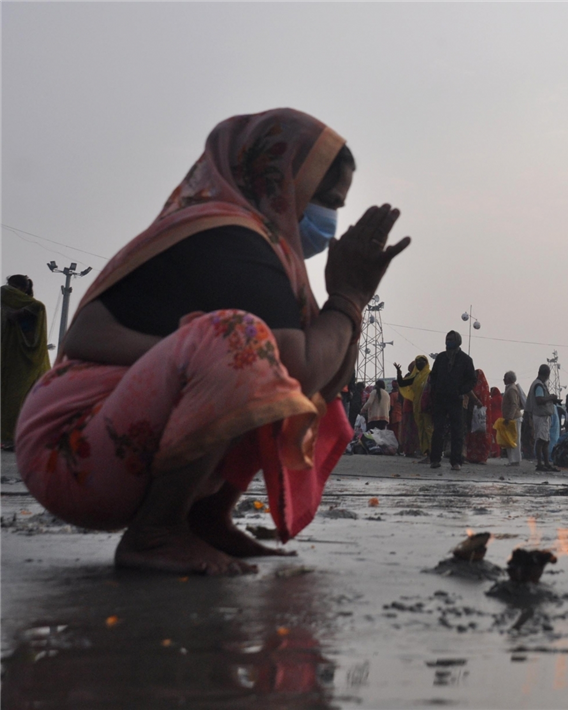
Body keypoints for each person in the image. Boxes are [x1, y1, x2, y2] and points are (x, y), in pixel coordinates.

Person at [16, 109, 410, 575]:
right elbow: (300, 366)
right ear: (278, 178)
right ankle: (156, 533)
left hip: (109, 439)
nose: (330, 219)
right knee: (241, 345)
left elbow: (316, 383)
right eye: (325, 199)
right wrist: (346, 296)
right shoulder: (230, 235)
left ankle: (202, 517)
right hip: (67, 446)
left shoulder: (264, 246)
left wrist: (350, 303)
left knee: (264, 365)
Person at [1, 274, 51, 448]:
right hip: (23, 358)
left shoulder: (7, 294)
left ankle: (11, 437)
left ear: (21, 289)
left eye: (13, 286)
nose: (9, 288)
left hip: (20, 358)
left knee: (16, 396)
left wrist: (17, 314)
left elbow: (38, 306)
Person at [428, 331, 476, 471]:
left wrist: (461, 390)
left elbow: (472, 380)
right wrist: (436, 387)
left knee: (457, 431)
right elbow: (433, 375)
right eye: (447, 339)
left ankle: (456, 461)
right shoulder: (441, 358)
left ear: (458, 341)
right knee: (438, 430)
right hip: (440, 398)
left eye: (451, 340)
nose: (448, 342)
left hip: (456, 399)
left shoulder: (465, 360)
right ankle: (435, 459)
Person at [396, 356, 432, 461]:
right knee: (421, 430)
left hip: (428, 406)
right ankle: (427, 453)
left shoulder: (431, 375)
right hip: (417, 407)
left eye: (422, 361)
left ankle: (433, 454)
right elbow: (402, 383)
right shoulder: (415, 376)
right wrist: (399, 373)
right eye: (417, 361)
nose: (419, 363)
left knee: (429, 429)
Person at [526, 364, 560, 472]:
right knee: (541, 440)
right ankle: (540, 463)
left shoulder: (538, 384)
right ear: (547, 374)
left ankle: (545, 463)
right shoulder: (539, 385)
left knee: (545, 441)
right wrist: (551, 397)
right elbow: (539, 400)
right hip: (540, 416)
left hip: (542, 415)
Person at [496, 371, 525, 466]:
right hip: (512, 418)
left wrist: (509, 417)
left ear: (509, 379)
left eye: (505, 377)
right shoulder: (510, 388)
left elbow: (514, 404)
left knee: (514, 439)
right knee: (511, 439)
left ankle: (515, 460)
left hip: (514, 418)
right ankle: (513, 460)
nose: (503, 379)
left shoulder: (512, 389)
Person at [464, 369, 490, 465]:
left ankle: (482, 457)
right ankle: (471, 456)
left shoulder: (483, 387)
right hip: (471, 415)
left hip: (480, 416)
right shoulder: (472, 385)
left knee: (481, 436)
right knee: (471, 435)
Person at [487, 385, 503, 459]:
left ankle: (494, 451)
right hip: (500, 418)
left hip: (493, 418)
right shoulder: (501, 399)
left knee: (493, 436)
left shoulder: (492, 400)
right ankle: (498, 452)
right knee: (498, 436)